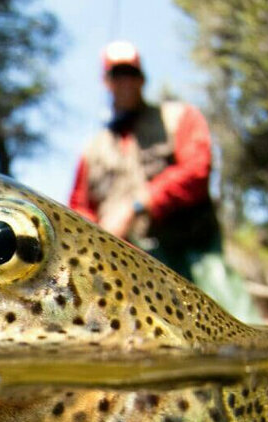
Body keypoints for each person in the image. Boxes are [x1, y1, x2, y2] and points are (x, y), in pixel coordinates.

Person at [69, 40, 256, 321]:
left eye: (131, 74)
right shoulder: (91, 150)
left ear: (143, 79)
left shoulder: (180, 117)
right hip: (129, 274)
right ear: (106, 82)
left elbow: (197, 171)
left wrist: (138, 205)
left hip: (195, 256)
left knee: (238, 327)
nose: (126, 82)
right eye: (117, 75)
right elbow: (78, 208)